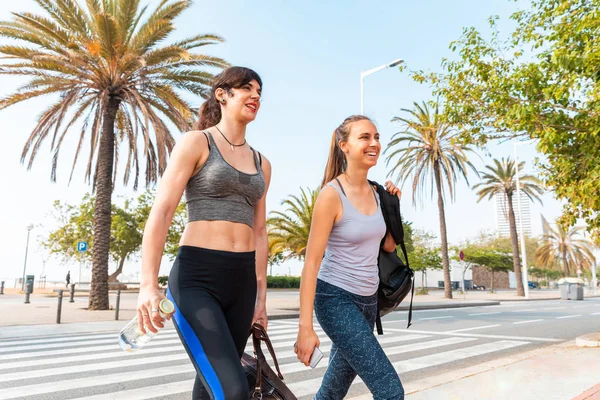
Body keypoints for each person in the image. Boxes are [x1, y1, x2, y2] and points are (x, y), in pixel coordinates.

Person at [136, 66, 271, 400]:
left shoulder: (262, 163)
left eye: (259, 92)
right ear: (222, 94)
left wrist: (260, 297)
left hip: (241, 283)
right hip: (197, 279)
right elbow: (163, 211)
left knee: (210, 387)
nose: (255, 96)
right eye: (246, 89)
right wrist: (147, 285)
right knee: (233, 388)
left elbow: (260, 231)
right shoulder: (197, 142)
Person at [295, 115, 405, 400]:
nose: (374, 143)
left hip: (368, 303)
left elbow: (389, 247)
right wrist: (305, 328)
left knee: (332, 392)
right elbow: (311, 263)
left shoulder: (379, 193)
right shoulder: (332, 195)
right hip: (335, 299)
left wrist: (394, 206)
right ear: (343, 145)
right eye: (365, 137)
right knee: (390, 392)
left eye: (377, 137)